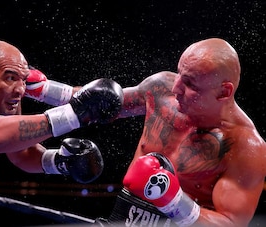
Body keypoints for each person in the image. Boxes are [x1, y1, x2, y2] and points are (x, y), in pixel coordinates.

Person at [0, 40, 124, 227]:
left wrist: (60, 161)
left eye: (24, 80)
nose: (20, 90)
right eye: (10, 78)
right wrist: (73, 114)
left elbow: (22, 153)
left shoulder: (6, 106)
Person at [92, 38, 266, 227]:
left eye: (190, 84)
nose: (176, 88)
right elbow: (97, 104)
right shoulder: (160, 90)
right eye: (179, 73)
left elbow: (231, 223)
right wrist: (55, 91)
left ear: (224, 92)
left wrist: (173, 201)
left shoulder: (245, 148)